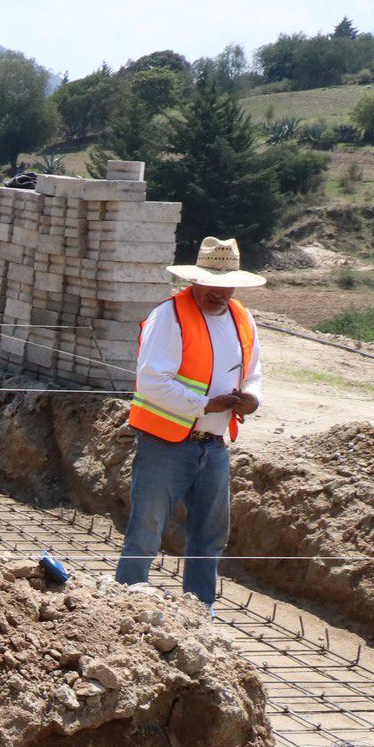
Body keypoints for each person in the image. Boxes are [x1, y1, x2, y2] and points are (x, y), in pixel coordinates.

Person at [115, 236, 266, 610]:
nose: (218, 294)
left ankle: (200, 612)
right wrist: (203, 405)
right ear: (194, 281)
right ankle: (127, 608)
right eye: (210, 286)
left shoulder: (242, 318)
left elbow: (255, 373)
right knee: (146, 531)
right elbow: (151, 381)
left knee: (210, 535)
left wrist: (252, 398)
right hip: (166, 443)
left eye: (225, 286)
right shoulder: (169, 316)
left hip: (214, 445)